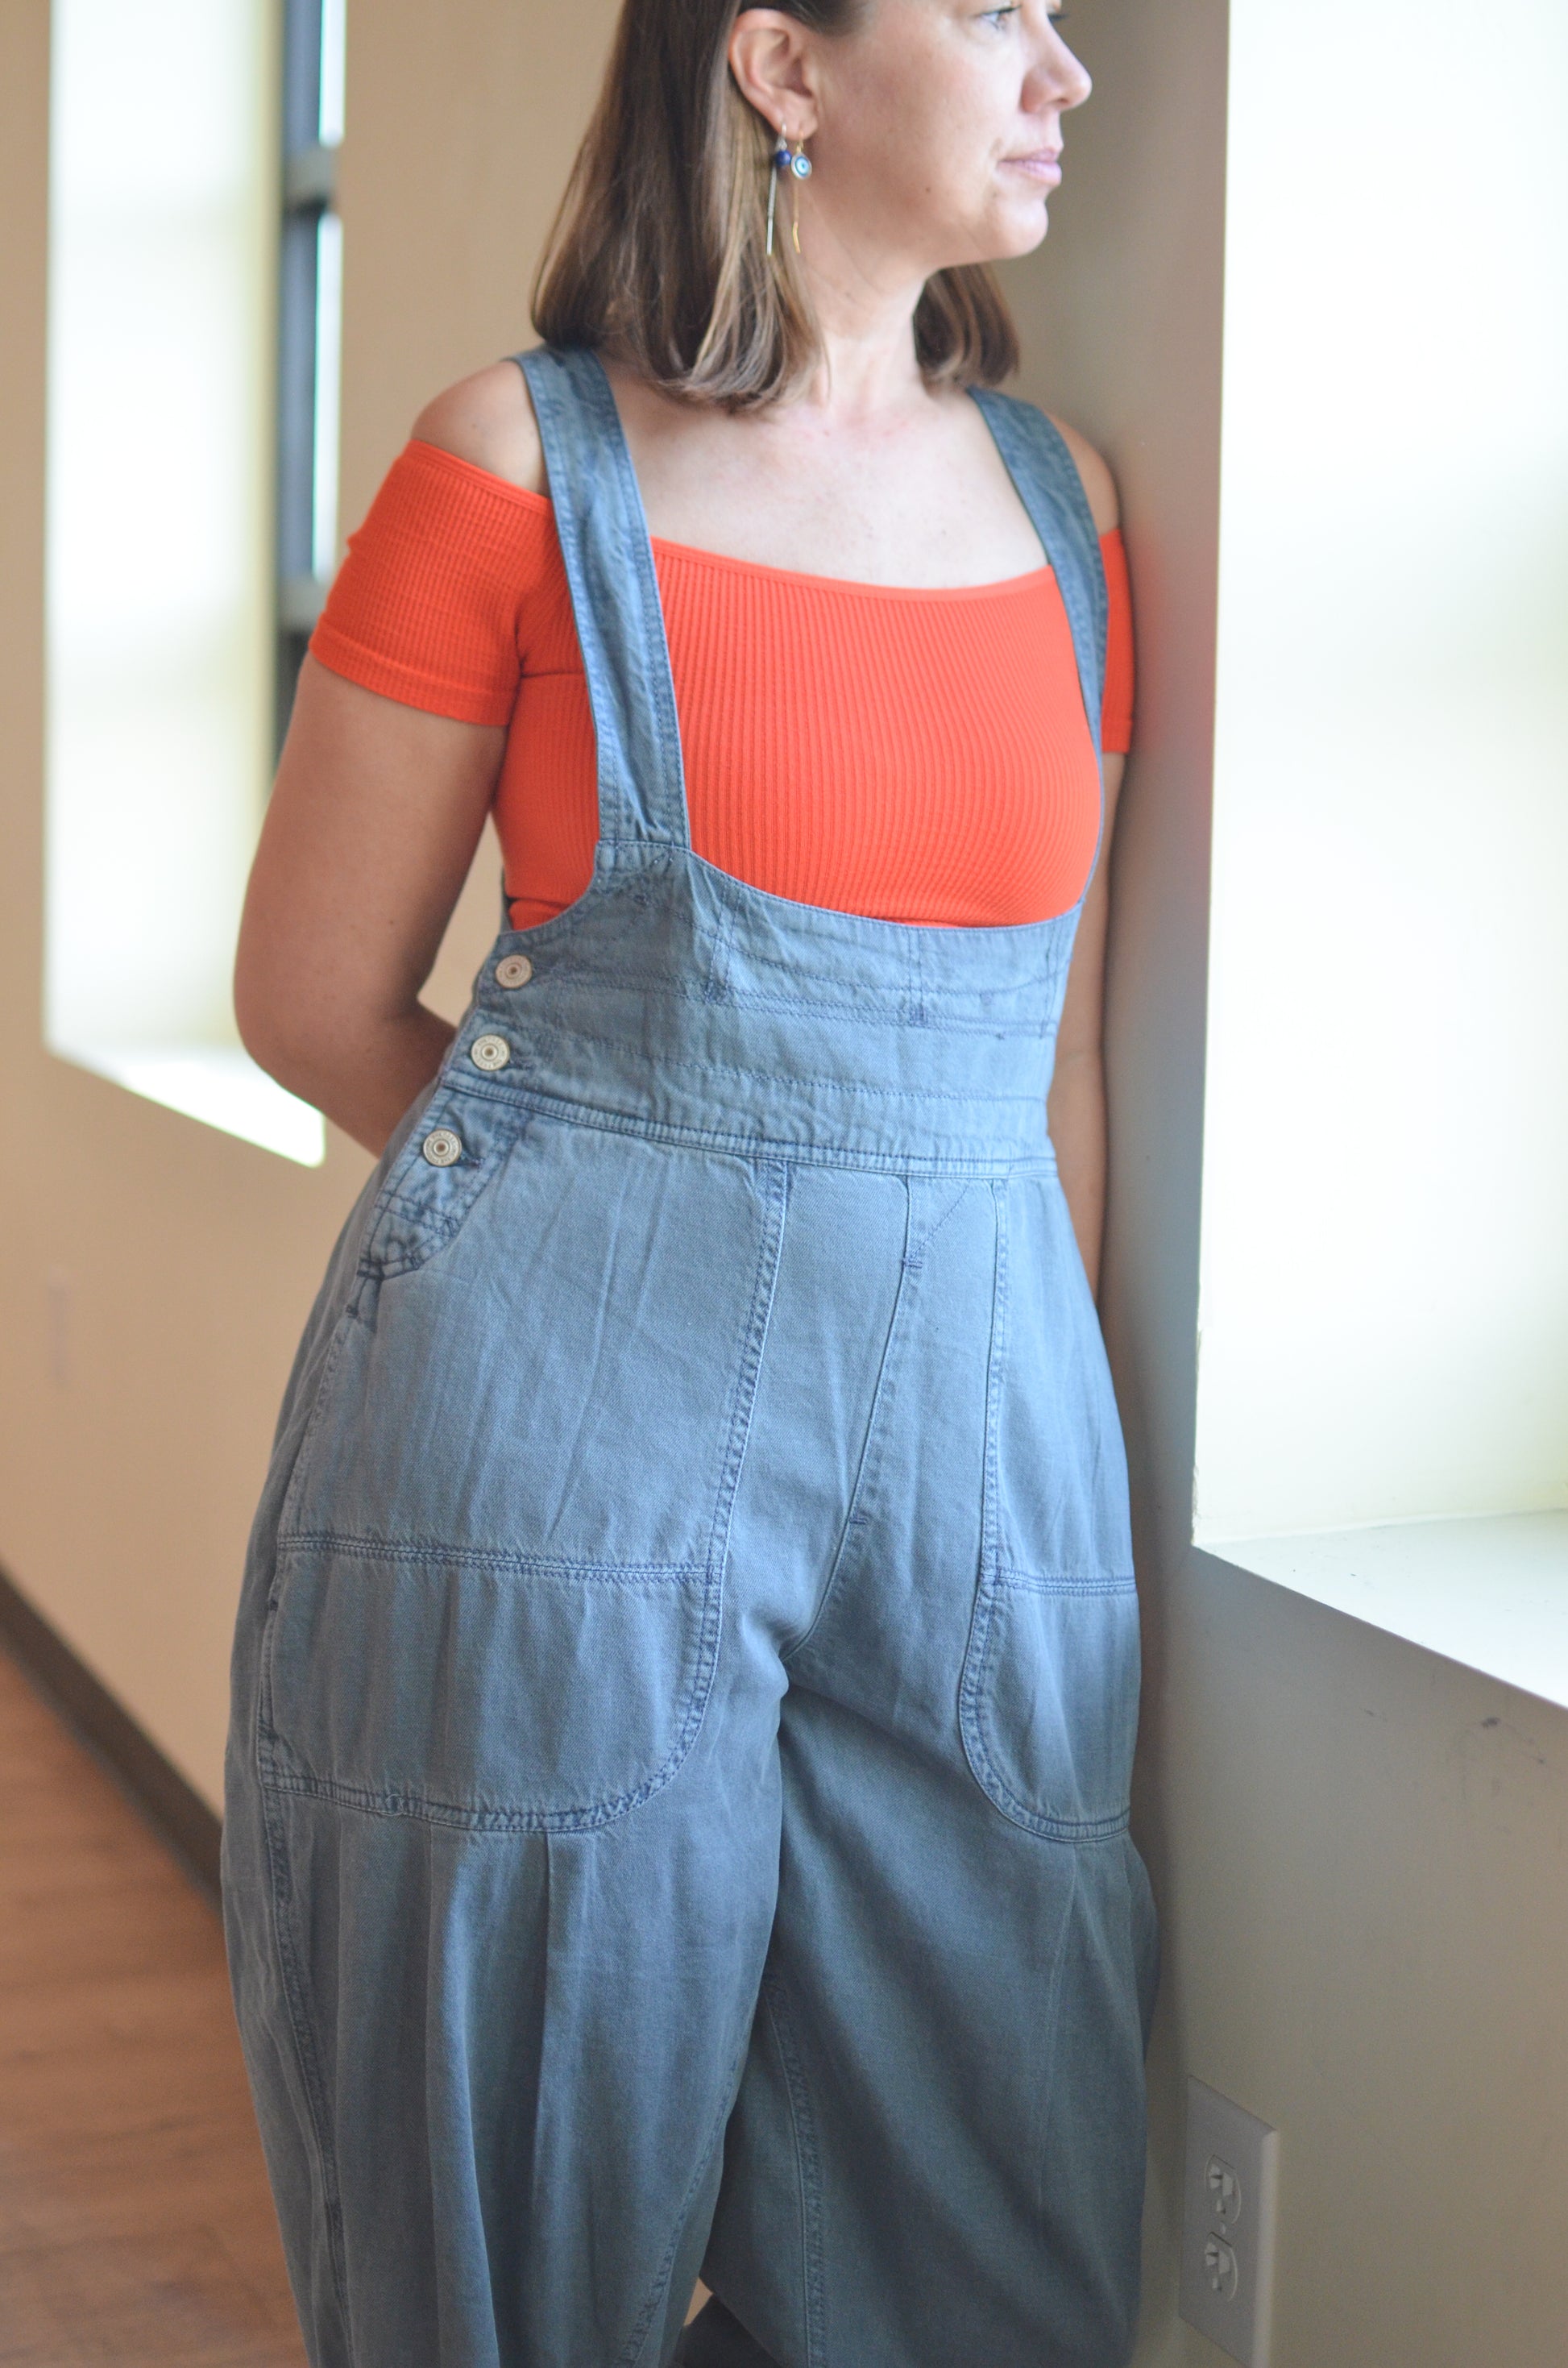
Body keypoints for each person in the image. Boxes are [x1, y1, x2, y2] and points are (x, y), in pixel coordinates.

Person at [222, 2, 1157, 2362]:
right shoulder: (514, 468)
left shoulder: (1066, 512)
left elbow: (1057, 1059)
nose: (1065, 71)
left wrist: (1045, 1462)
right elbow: (312, 994)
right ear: (781, 66)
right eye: (995, 11)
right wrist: (624, 1198)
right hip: (553, 1466)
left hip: (985, 1478)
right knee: (511, 2215)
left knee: (992, 2242)